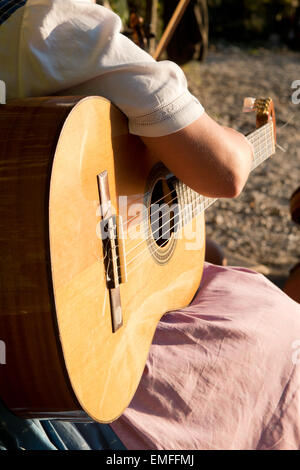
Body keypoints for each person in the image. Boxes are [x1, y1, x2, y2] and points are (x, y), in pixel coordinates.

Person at [0, 0, 300, 450]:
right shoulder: (53, 25)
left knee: (207, 255)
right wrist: (246, 141)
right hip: (60, 344)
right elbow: (225, 171)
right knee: (280, 325)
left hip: (36, 315)